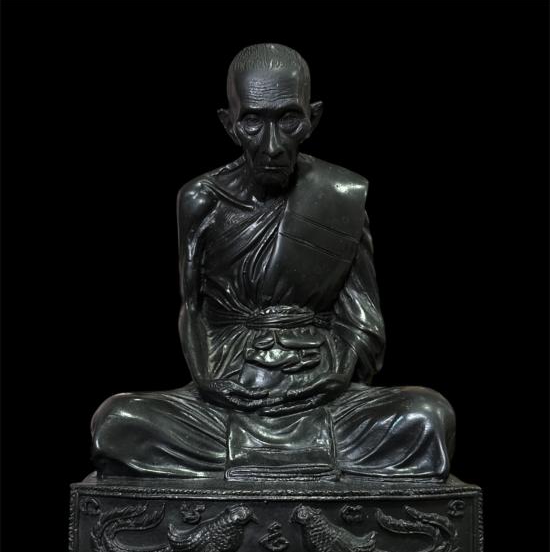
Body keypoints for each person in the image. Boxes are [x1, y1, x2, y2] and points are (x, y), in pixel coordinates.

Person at [91, 43, 455, 481]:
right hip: (229, 395)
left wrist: (338, 373)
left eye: (288, 120)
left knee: (429, 415)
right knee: (116, 422)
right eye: (252, 122)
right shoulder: (200, 200)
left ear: (312, 119)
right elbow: (192, 308)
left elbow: (363, 321)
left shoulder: (340, 197)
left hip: (320, 393)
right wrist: (209, 383)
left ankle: (264, 458)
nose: (272, 145)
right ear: (229, 123)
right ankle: (298, 459)